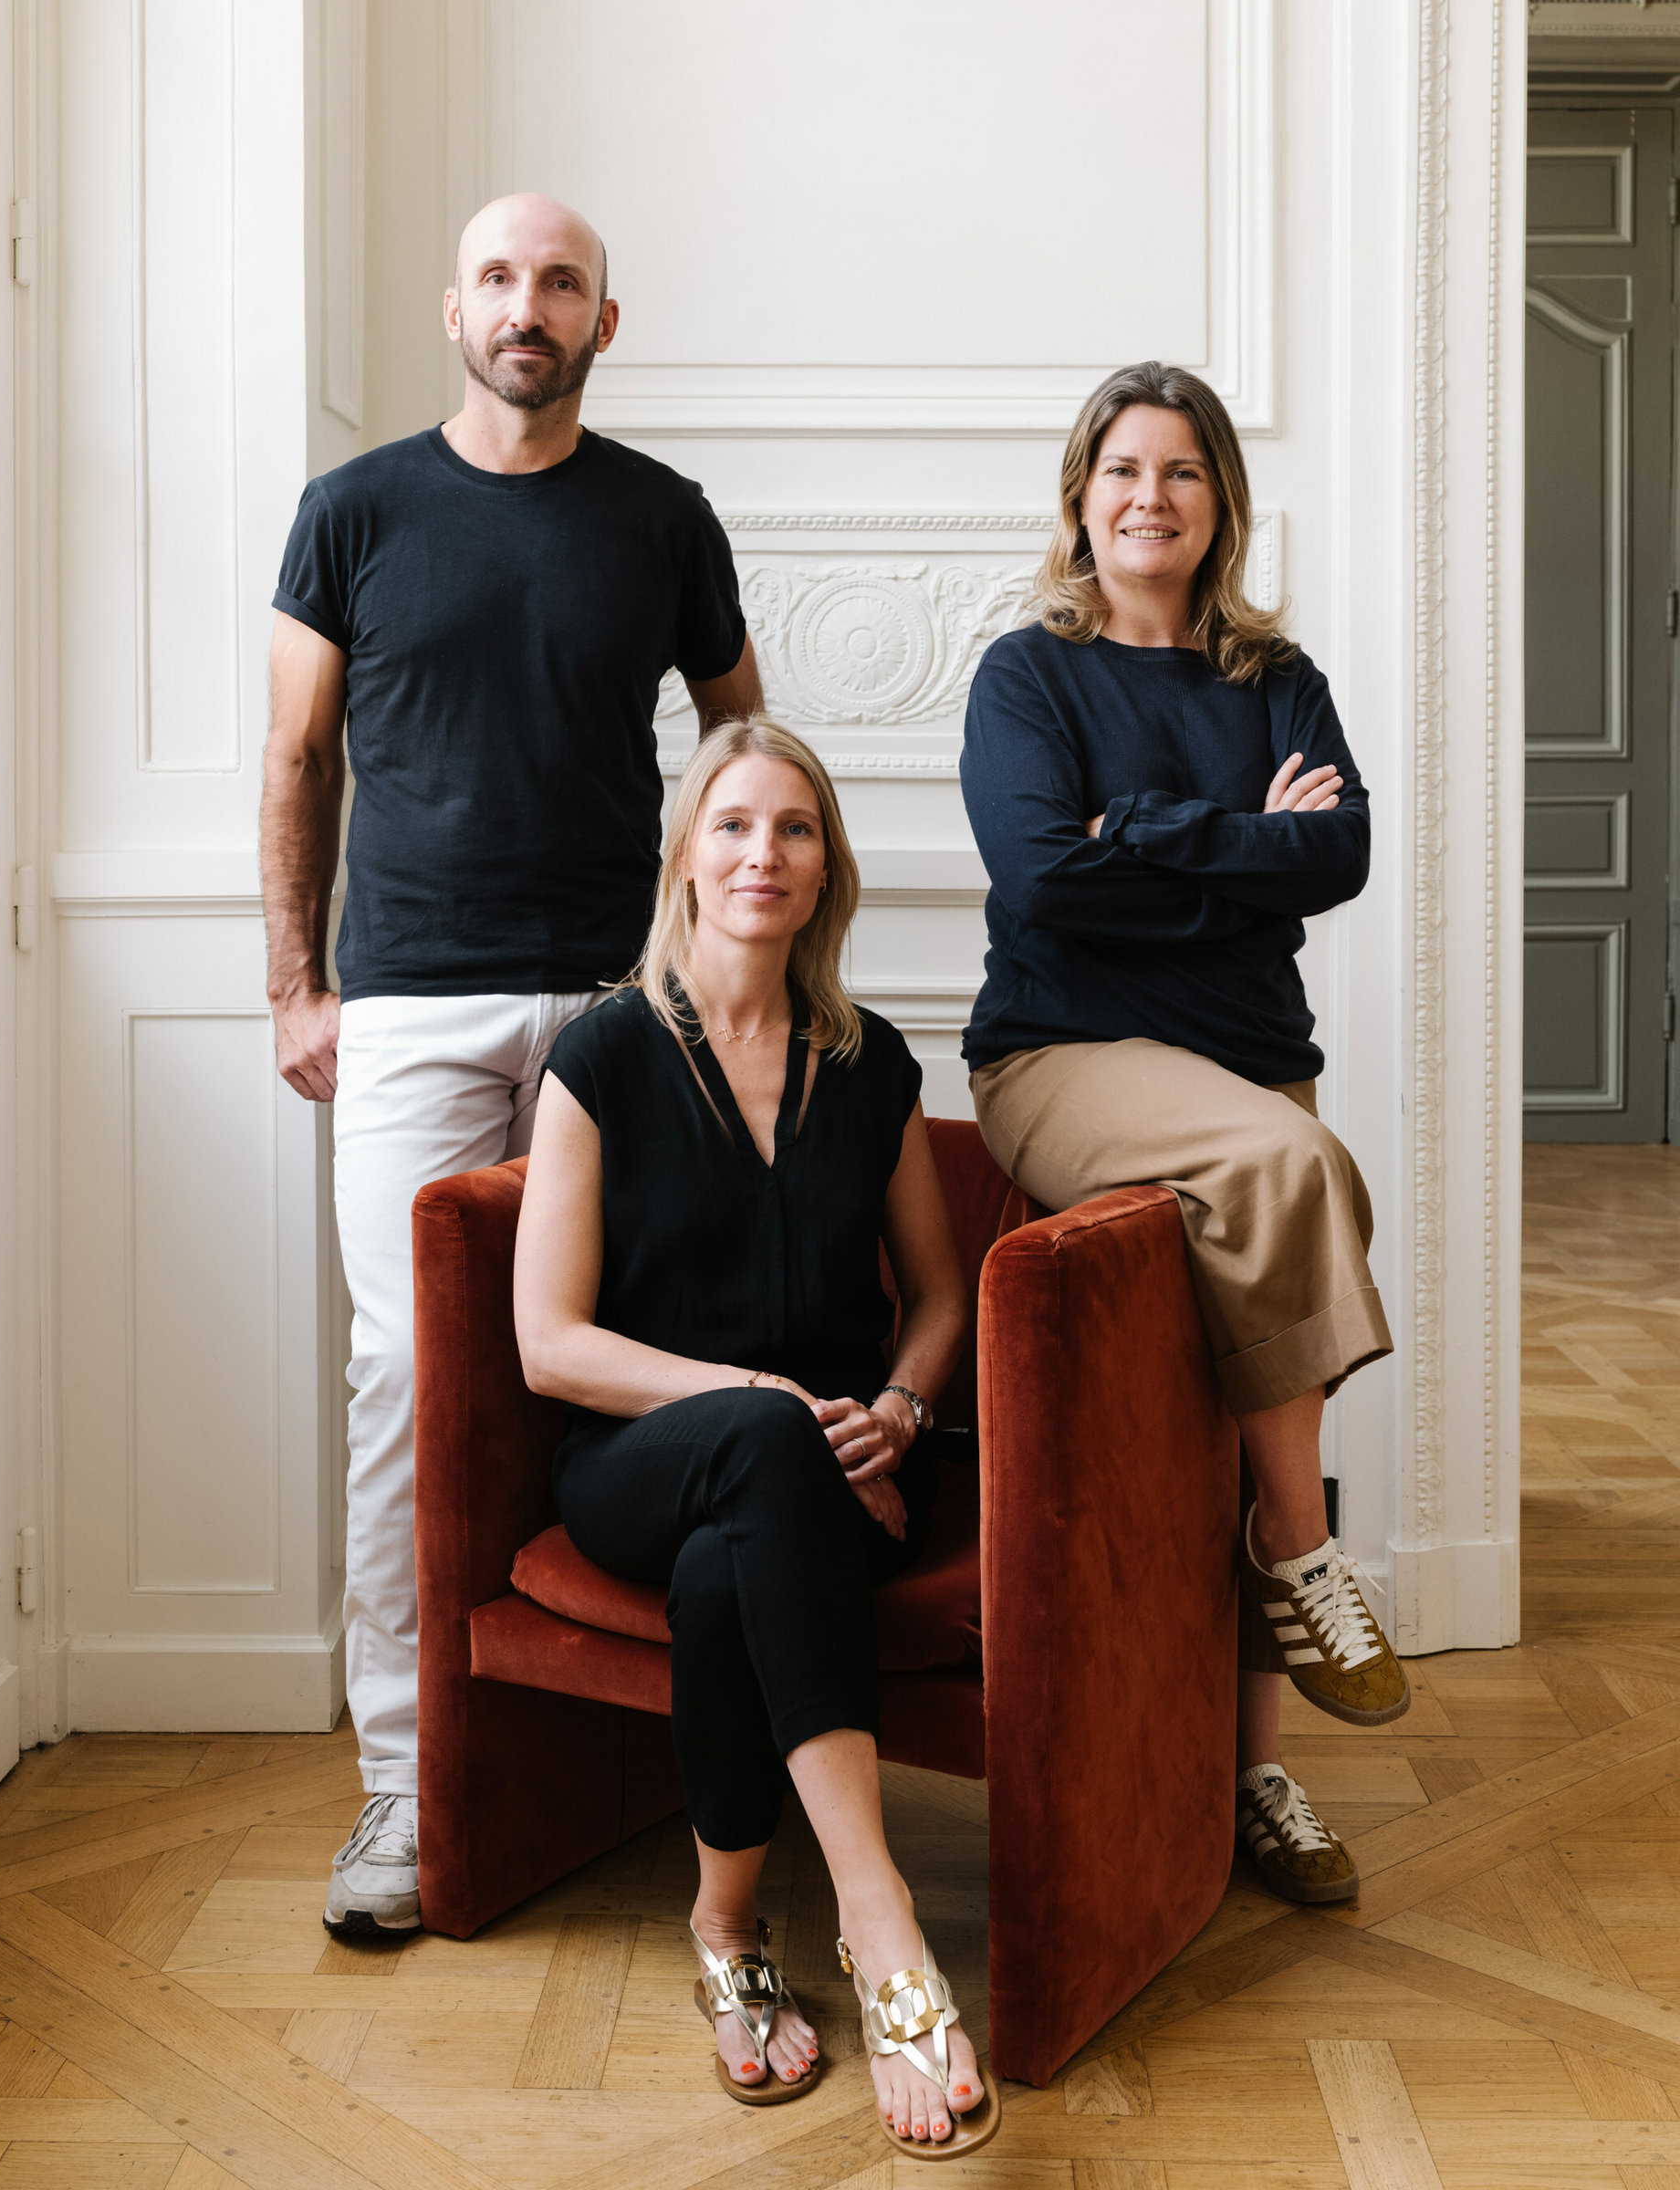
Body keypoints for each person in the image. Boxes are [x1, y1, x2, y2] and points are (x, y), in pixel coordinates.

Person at [260, 193, 763, 1939]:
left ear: (603, 323)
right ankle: (407, 1785)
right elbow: (297, 756)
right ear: (453, 309)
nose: (525, 306)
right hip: (407, 1008)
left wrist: (706, 969)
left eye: (560, 283)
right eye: (497, 277)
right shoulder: (354, 510)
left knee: (634, 1353)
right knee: (409, 1377)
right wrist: (295, 987)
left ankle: (627, 1739)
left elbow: (743, 742)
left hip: (620, 1014)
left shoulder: (662, 517)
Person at [513, 718, 1001, 2157]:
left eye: (795, 829)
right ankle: (878, 1913)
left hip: (841, 1478)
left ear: (825, 870)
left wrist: (901, 1412)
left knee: (732, 1566)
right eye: (732, 824)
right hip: (636, 1466)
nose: (762, 854)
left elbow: (939, 1294)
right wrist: (758, 1397)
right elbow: (550, 1343)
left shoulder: (869, 1063)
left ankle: (727, 1929)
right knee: (758, 1454)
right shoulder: (601, 1056)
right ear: (683, 856)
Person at [959, 360, 1407, 1909]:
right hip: (1063, 1056)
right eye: (1124, 469)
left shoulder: (1275, 679)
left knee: (1242, 1382)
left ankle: (1254, 1779)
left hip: (1247, 1067)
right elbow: (1041, 881)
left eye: (1183, 471)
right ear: (1081, 498)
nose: (1150, 497)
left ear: (1222, 503)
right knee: (1300, 1168)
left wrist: (1143, 831)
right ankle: (1304, 1548)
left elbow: (1339, 854)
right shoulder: (1028, 677)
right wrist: (1243, 853)